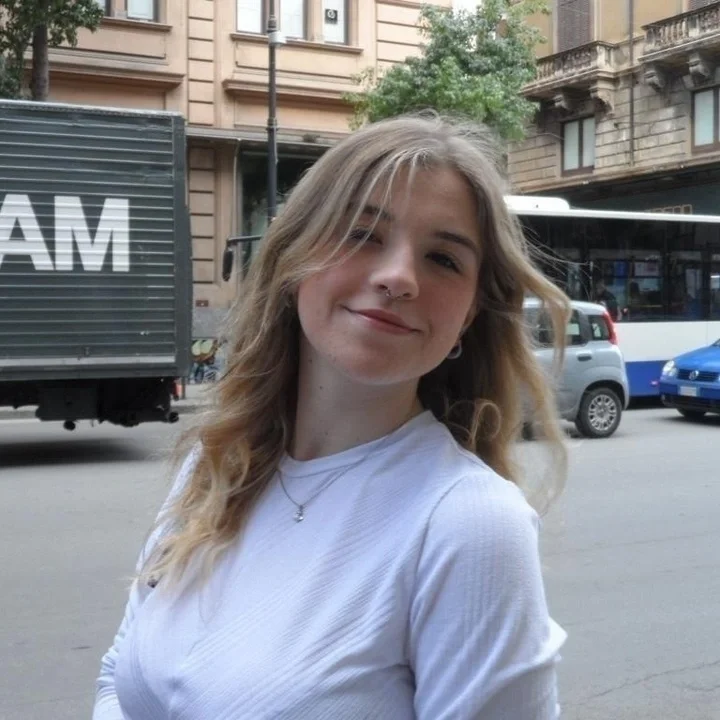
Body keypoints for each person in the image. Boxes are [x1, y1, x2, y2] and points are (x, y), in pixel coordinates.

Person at [93, 114, 570, 720]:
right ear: (294, 260)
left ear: (468, 318)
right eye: (362, 233)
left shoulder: (469, 524)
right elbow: (119, 679)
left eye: (444, 259)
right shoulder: (216, 463)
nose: (398, 277)